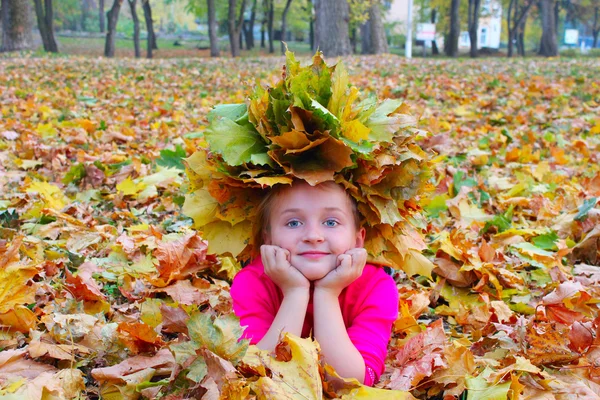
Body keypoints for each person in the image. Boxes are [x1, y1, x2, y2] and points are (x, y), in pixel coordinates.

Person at [230, 180, 399, 386]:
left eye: (331, 222)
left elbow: (349, 383)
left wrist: (327, 294)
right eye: (293, 223)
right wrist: (295, 292)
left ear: (357, 240)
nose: (313, 236)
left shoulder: (376, 287)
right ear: (269, 239)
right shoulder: (251, 283)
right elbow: (259, 376)